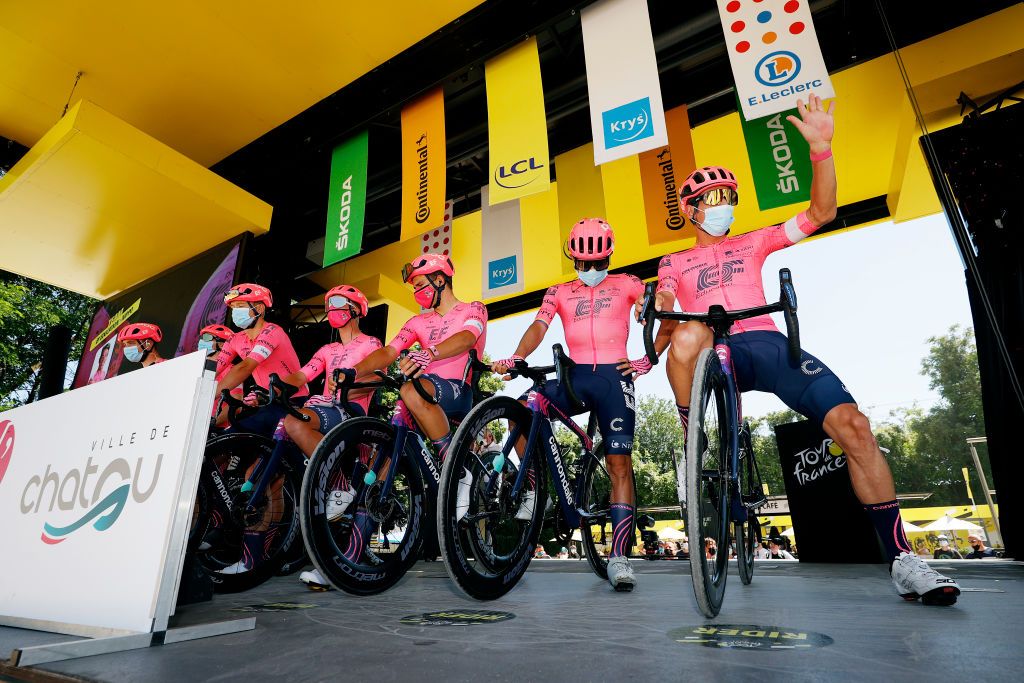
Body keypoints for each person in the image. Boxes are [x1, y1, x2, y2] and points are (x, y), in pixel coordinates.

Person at [646, 94, 959, 606]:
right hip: (710, 346)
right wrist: (650, 335)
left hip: (769, 344)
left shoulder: (751, 241)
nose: (723, 205)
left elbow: (822, 210)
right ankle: (693, 439)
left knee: (854, 426)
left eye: (728, 196)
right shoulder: (674, 260)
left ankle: (903, 558)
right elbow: (664, 312)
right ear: (691, 210)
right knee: (685, 334)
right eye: (713, 199)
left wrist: (821, 150)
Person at [492, 218, 649, 593]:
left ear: (609, 256)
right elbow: (539, 326)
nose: (591, 271)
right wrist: (517, 356)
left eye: (597, 264)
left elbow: (655, 317)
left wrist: (648, 356)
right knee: (525, 407)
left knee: (618, 463)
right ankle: (537, 483)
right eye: (583, 264)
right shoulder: (559, 291)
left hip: (615, 376)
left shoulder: (628, 283)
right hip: (575, 376)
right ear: (573, 260)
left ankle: (620, 557)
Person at [349, 254, 487, 560]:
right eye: (414, 287)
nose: (417, 293)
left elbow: (467, 338)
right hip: (419, 396)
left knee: (411, 388)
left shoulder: (472, 308)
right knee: (382, 465)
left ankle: (456, 468)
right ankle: (349, 556)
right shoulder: (417, 321)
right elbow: (388, 351)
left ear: (441, 280)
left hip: (456, 391)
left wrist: (430, 352)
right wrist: (354, 371)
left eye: (421, 285)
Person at [265, 285, 383, 589]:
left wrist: (349, 383)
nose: (332, 309)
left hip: (352, 410)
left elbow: (377, 378)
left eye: (339, 303)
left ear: (357, 309)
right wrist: (278, 385)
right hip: (326, 410)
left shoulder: (371, 342)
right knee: (293, 423)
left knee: (295, 422)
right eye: (328, 304)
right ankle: (336, 484)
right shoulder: (327, 351)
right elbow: (304, 375)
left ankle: (339, 486)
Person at [214, 283, 308, 436]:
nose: (236, 312)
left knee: (240, 436)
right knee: (232, 436)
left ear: (259, 309)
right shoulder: (235, 339)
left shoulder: (272, 331)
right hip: (267, 402)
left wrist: (209, 395)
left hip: (293, 399)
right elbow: (215, 368)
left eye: (241, 306)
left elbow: (245, 367)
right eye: (234, 308)